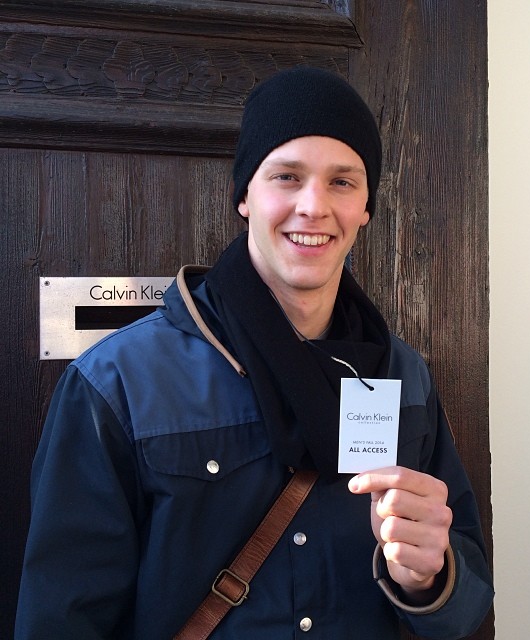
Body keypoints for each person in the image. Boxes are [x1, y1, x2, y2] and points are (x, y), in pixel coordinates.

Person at [15, 67, 493, 639]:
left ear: (367, 206)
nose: (313, 206)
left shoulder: (403, 375)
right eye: (287, 176)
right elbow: (61, 618)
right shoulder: (118, 383)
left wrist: (429, 580)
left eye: (342, 182)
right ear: (245, 195)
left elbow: (467, 608)